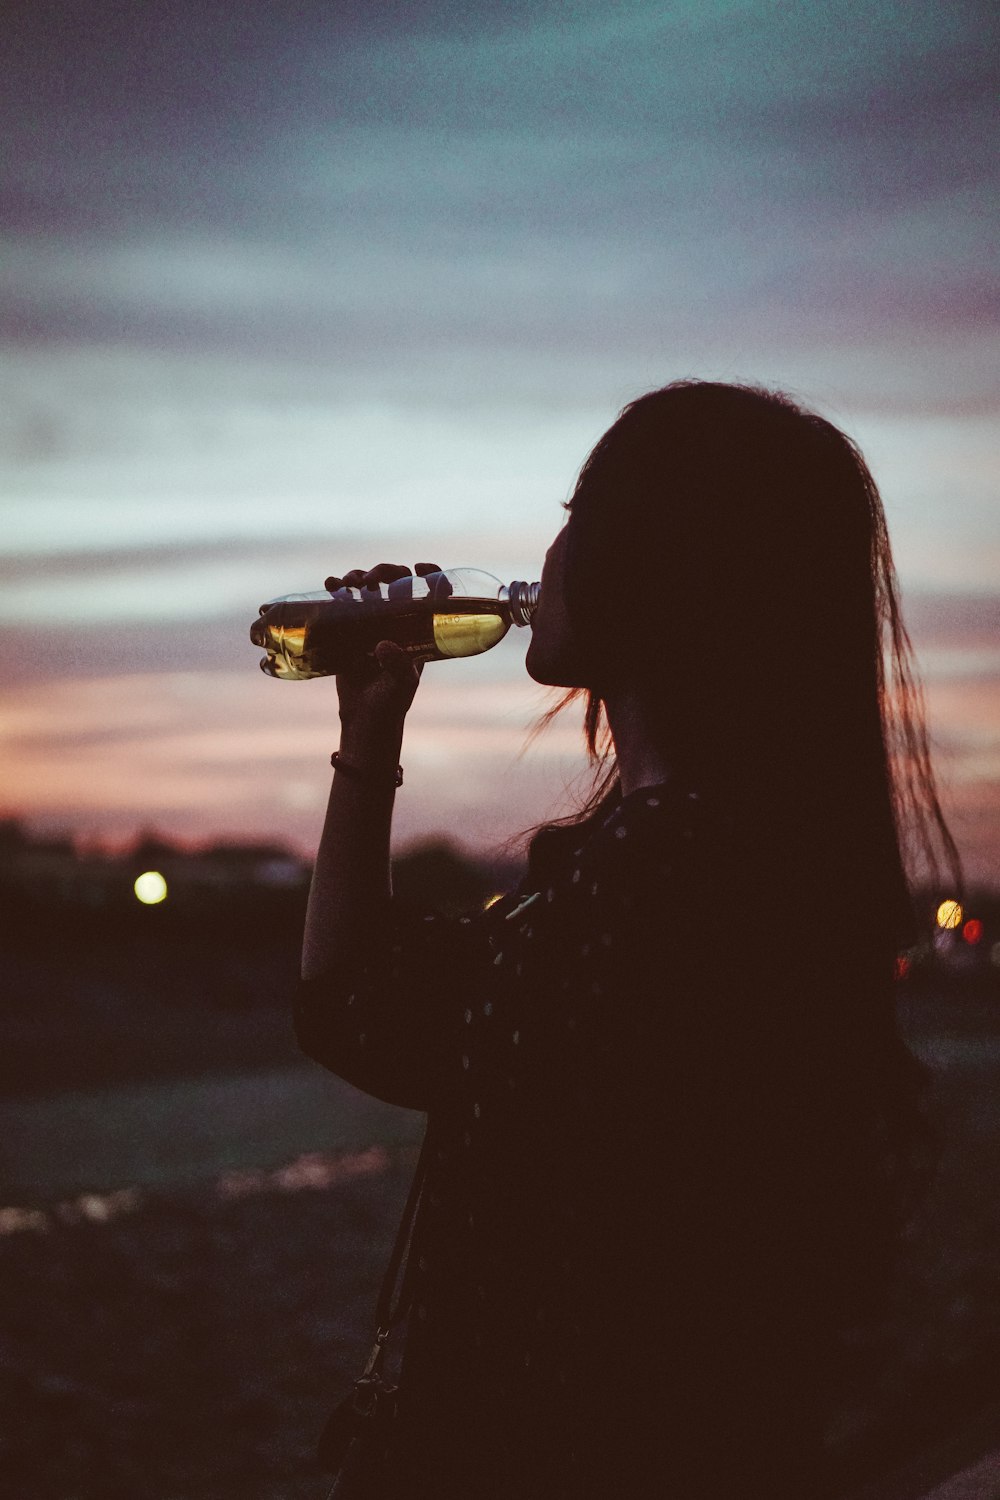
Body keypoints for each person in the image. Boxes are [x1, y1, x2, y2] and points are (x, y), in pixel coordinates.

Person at [295, 380, 959, 1498]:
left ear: (656, 569)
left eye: (575, 515)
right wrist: (370, 723)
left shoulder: (655, 888)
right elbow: (367, 1008)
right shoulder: (740, 862)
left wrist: (364, 753)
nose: (546, 557)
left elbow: (356, 1010)